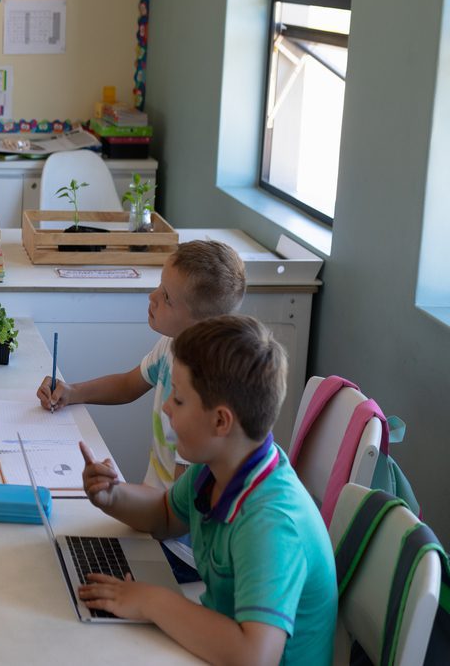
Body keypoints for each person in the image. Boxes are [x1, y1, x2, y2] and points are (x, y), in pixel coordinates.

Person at [75, 315, 336, 666]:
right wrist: (114, 496)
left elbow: (254, 656)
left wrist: (153, 602)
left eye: (178, 400)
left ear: (220, 421)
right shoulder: (219, 468)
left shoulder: (270, 523)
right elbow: (166, 515)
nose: (165, 406)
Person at [37, 240, 246, 493]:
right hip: (153, 502)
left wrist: (118, 495)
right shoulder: (171, 345)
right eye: (160, 285)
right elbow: (128, 385)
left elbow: (179, 511)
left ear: (199, 325)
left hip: (167, 519)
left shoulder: (202, 394)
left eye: (166, 297)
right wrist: (72, 392)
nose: (153, 296)